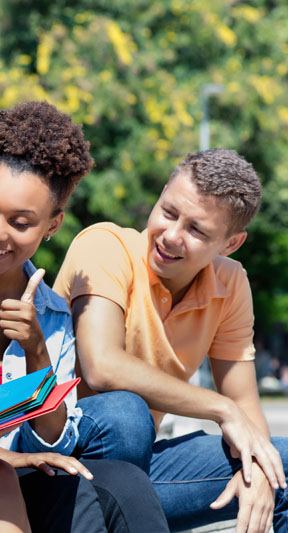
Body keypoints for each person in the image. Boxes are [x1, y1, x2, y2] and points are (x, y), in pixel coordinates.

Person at [0, 101, 167, 532]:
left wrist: (37, 349)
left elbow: (51, 441)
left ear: (53, 225)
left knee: (126, 485)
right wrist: (2, 458)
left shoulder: (52, 313)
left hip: (9, 474)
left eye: (21, 222)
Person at [54, 148, 288, 532]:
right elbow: (102, 367)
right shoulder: (104, 245)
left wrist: (260, 466)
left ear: (230, 244)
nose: (172, 236)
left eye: (197, 230)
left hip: (137, 472)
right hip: (57, 460)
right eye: (168, 212)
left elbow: (244, 401)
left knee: (282, 467)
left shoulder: (231, 283)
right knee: (125, 413)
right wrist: (222, 410)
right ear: (162, 193)